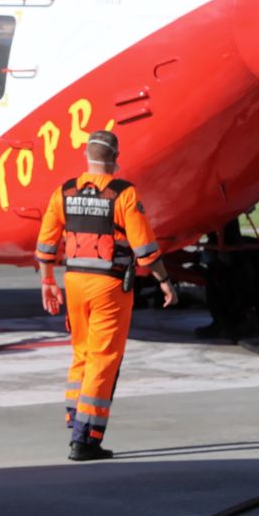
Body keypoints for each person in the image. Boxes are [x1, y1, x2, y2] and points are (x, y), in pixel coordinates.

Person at [34, 131, 176, 462]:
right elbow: (145, 249)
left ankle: (76, 421)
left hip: (74, 284)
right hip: (109, 288)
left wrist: (47, 281)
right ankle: (86, 441)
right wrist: (165, 281)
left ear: (86, 156)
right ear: (116, 158)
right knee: (103, 358)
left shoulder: (65, 192)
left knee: (81, 353)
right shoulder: (124, 195)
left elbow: (45, 245)